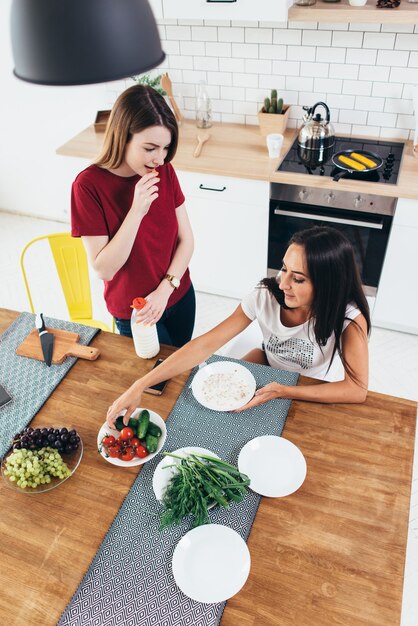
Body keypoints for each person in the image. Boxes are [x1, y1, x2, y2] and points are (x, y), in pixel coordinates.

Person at [106, 226, 371, 427]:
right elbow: (206, 344)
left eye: (298, 279)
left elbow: (357, 389)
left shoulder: (348, 319)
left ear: (327, 284)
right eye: (284, 268)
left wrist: (284, 391)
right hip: (267, 361)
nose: (283, 283)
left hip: (307, 385)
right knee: (216, 418)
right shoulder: (265, 295)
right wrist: (139, 386)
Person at [71, 84, 195, 347]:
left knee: (181, 374)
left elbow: (187, 240)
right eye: (150, 148)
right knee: (154, 384)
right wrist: (136, 211)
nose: (159, 160)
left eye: (165, 148)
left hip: (178, 294)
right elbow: (104, 268)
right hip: (135, 313)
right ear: (122, 137)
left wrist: (164, 291)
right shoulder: (88, 186)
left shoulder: (164, 171)